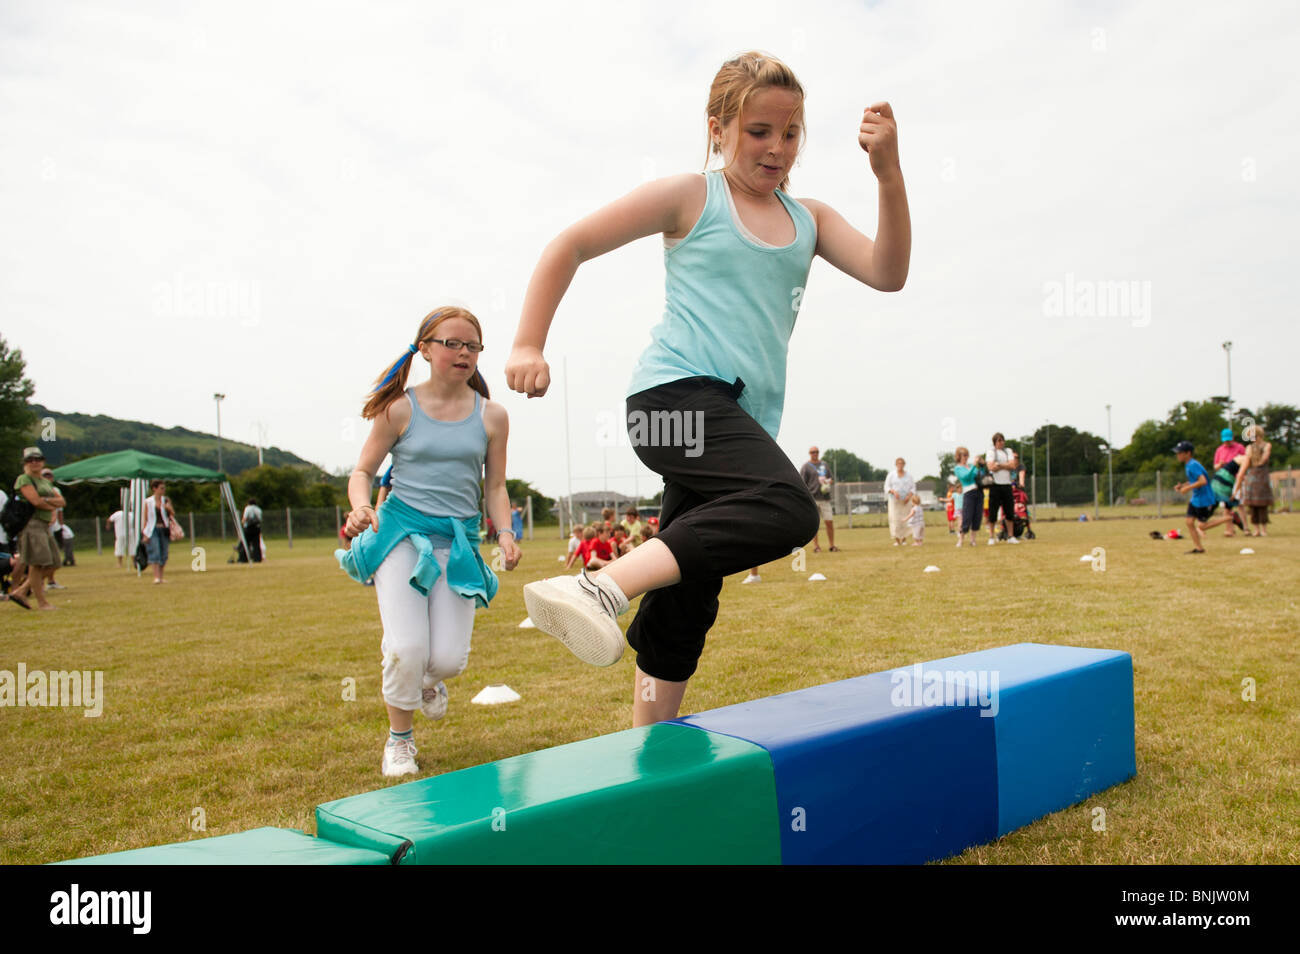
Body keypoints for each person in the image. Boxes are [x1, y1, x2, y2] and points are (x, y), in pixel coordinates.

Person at [507, 51, 909, 726]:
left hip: (730, 421)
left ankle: (648, 749)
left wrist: (887, 172)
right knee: (788, 507)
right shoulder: (692, 197)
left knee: (689, 595)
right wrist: (527, 342)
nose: (777, 148)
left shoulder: (809, 219)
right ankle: (598, 586)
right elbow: (569, 244)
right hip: (670, 403)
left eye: (790, 132)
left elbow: (887, 271)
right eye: (759, 131)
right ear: (718, 128)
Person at [338, 306, 519, 778]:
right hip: (398, 534)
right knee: (406, 647)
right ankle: (400, 741)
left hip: (458, 541)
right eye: (452, 343)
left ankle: (424, 684)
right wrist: (363, 507)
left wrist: (504, 533)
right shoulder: (399, 408)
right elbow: (362, 471)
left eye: (472, 346)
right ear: (424, 349)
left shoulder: (493, 416)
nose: (463, 353)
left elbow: (495, 487)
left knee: (449, 660)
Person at [8, 448, 64, 610]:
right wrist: (50, 502)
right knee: (37, 564)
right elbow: (35, 502)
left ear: (43, 461)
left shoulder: (44, 481)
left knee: (54, 563)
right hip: (32, 524)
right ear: (25, 463)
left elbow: (62, 502)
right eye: (30, 459)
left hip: (44, 525)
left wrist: (45, 500)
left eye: (38, 459)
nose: (34, 462)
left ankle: (21, 590)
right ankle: (42, 602)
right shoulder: (24, 479)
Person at [1173, 440, 1217, 554]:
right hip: (1196, 499)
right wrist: (1183, 485)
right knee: (1189, 522)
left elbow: (1203, 481)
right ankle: (1199, 548)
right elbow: (1194, 480)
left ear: (1188, 453)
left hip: (1204, 499)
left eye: (1180, 453)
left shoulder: (1193, 465)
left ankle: (1228, 519)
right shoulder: (1189, 465)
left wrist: (1187, 489)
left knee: (1202, 525)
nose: (1178, 455)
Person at [1238, 426, 1274, 537]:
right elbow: (1248, 461)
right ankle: (1256, 529)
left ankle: (1264, 529)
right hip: (1252, 476)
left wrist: (1256, 459)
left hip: (1262, 476)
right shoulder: (1249, 448)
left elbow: (1263, 459)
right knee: (1252, 504)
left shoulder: (1267, 445)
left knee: (1262, 504)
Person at [141, 479, 177, 583]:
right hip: (152, 529)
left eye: (164, 488)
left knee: (164, 553)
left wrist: (168, 508)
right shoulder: (148, 502)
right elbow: (145, 518)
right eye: (161, 488)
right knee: (155, 551)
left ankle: (161, 577)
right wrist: (144, 532)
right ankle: (156, 576)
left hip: (164, 528)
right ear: (154, 489)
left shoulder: (165, 500)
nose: (163, 490)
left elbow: (172, 514)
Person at [986, 433, 1019, 545]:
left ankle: (1011, 536)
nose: (1001, 442)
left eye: (1002, 440)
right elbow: (990, 467)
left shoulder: (1008, 451)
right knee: (993, 512)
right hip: (995, 485)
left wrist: (999, 465)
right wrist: (1005, 465)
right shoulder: (991, 452)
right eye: (998, 440)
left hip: (1007, 484)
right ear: (994, 442)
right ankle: (991, 537)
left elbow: (1013, 465)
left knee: (1009, 511)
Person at [802, 446, 837, 552]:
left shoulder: (824, 464)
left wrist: (827, 482)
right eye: (813, 452)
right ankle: (816, 546)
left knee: (829, 522)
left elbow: (832, 479)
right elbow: (803, 483)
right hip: (813, 498)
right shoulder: (806, 466)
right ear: (809, 453)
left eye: (816, 452)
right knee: (815, 525)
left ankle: (832, 545)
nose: (815, 454)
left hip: (825, 497)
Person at [953, 447, 982, 548]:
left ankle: (973, 540)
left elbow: (979, 474)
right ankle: (961, 539)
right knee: (967, 517)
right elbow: (966, 477)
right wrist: (974, 465)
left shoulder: (970, 466)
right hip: (968, 493)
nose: (966, 457)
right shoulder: (958, 468)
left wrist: (981, 465)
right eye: (963, 455)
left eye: (967, 455)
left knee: (977, 516)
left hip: (978, 491)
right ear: (959, 456)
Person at [884, 458, 915, 546]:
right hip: (894, 500)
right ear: (896, 464)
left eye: (902, 463)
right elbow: (886, 487)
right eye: (898, 463)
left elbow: (913, 487)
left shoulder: (909, 475)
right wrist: (893, 492)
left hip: (906, 500)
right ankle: (897, 539)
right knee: (895, 519)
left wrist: (909, 497)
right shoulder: (891, 475)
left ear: (904, 464)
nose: (900, 465)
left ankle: (904, 539)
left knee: (906, 519)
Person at [242, 497, 264, 564]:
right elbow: (260, 519)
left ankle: (243, 559)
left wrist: (242, 523)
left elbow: (245, 518)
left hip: (248, 528)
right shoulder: (258, 509)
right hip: (257, 528)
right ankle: (257, 559)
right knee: (256, 544)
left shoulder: (247, 508)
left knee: (246, 543)